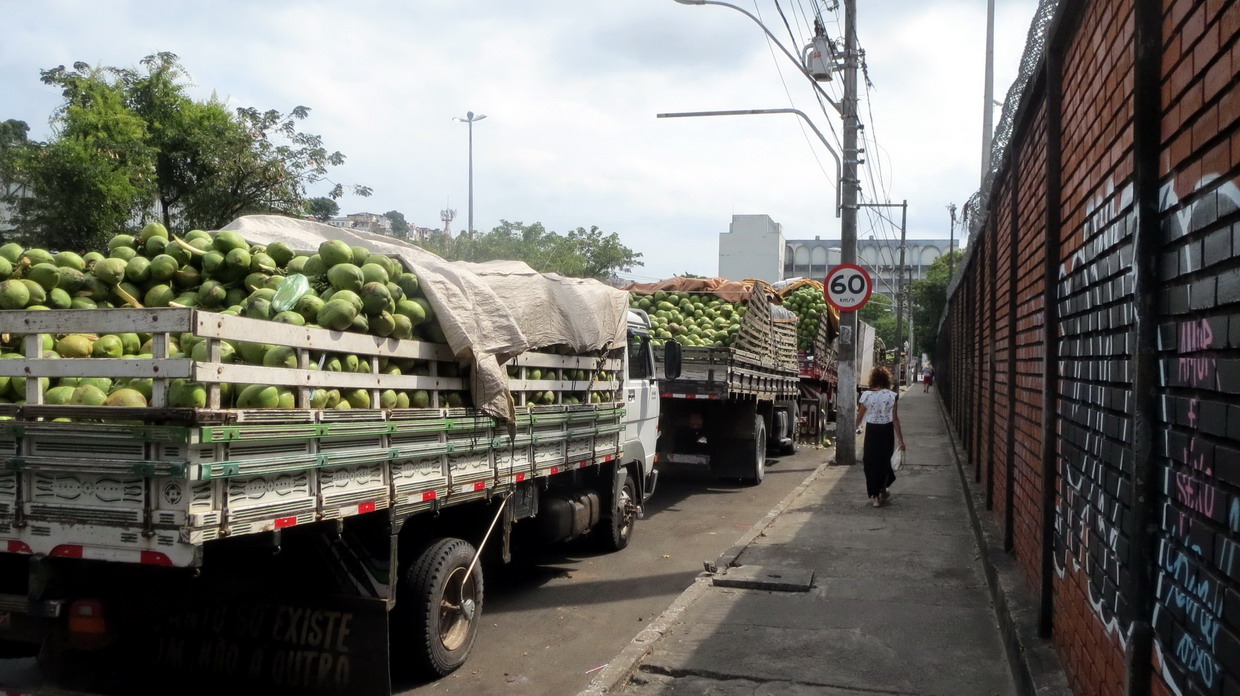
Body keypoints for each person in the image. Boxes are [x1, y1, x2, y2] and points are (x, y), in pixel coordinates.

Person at [855, 366, 905, 507]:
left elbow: (860, 417)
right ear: (887, 380)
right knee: (884, 462)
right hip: (887, 431)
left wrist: (854, 430)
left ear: (873, 379)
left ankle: (875, 496)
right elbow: (895, 420)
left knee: (870, 463)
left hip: (872, 432)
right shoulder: (892, 396)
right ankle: (882, 490)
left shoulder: (866, 395)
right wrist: (901, 440)